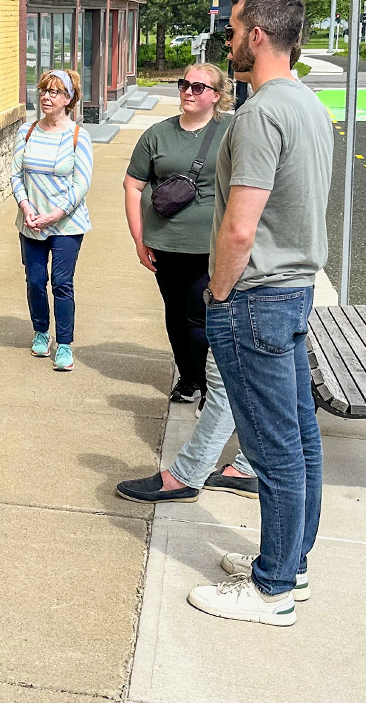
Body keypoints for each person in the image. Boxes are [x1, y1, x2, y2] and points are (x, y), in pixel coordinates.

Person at [187, 0, 334, 627]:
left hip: (256, 299)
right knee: (299, 439)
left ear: (258, 36)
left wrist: (219, 292)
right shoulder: (308, 105)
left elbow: (240, 227)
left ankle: (272, 589)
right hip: (294, 293)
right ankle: (291, 564)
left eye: (234, 27)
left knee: (273, 449)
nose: (228, 39)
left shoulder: (261, 113)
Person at [114, 63, 258, 504]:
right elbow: (133, 183)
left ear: (218, 94)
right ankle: (193, 380)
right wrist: (140, 239)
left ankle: (204, 384)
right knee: (175, 314)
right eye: (184, 84)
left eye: (199, 86)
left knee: (199, 317)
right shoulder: (158, 134)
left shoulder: (233, 130)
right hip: (165, 243)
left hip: (211, 248)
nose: (189, 91)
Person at [11, 69, 94, 372]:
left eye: (55, 92)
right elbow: (16, 175)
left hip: (66, 224)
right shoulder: (26, 131)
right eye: (44, 90)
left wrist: (55, 214)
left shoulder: (77, 136)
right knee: (35, 280)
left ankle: (64, 345)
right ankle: (41, 332)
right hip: (31, 221)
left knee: (62, 283)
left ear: (69, 99)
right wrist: (25, 206)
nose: (46, 97)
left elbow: (81, 183)